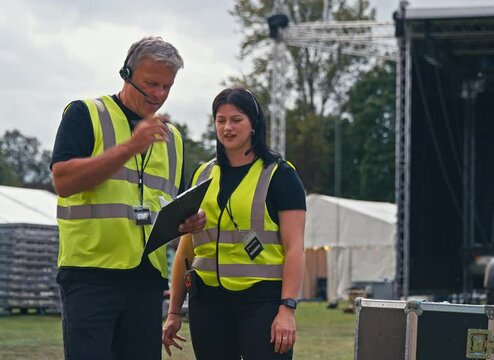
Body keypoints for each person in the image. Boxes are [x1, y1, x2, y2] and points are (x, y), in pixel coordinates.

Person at [50, 36, 206, 360]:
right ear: (126, 72)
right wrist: (130, 148)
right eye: (151, 83)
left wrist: (185, 222)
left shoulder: (173, 138)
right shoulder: (85, 114)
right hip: (90, 274)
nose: (159, 95)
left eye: (167, 87)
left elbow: (164, 205)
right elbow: (63, 181)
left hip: (146, 279)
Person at [162, 88, 306, 359]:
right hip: (207, 304)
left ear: (254, 124)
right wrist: (173, 312)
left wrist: (287, 309)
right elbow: (186, 249)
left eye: (236, 119)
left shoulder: (280, 174)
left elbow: (296, 247)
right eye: (220, 120)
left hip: (262, 301)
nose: (227, 127)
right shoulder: (203, 174)